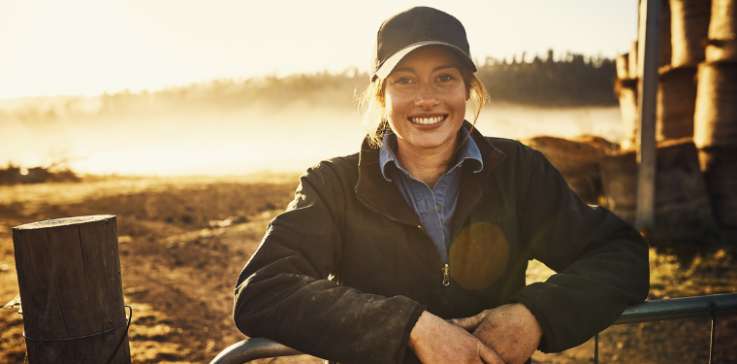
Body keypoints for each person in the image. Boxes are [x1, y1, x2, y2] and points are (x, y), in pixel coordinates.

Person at [233, 6, 649, 364]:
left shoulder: (517, 171)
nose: (426, 99)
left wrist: (535, 314)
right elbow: (264, 290)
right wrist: (409, 326)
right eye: (405, 80)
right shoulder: (333, 185)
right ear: (382, 95)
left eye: (445, 78)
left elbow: (620, 254)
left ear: (469, 88)